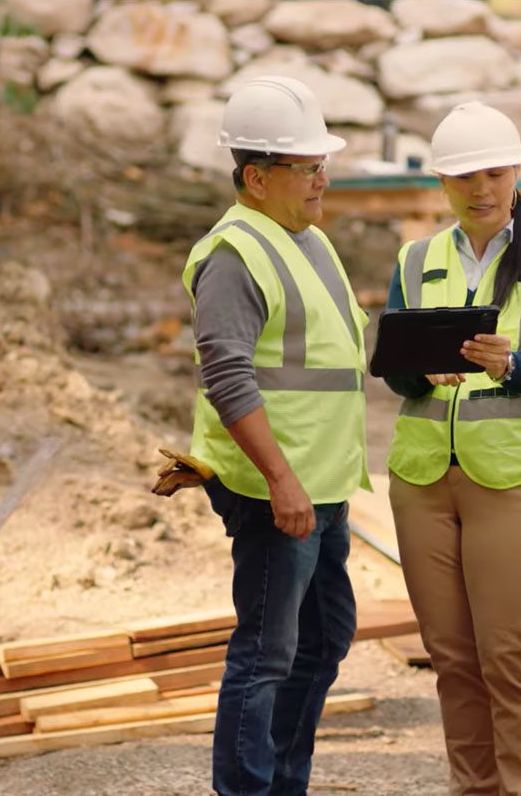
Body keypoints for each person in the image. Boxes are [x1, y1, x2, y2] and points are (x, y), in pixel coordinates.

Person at [382, 101, 521, 795]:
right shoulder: (416, 259)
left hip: (513, 480)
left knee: (510, 659)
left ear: (516, 173)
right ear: (442, 184)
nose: (480, 190)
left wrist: (513, 365)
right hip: (422, 480)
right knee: (452, 659)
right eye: (463, 178)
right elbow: (394, 367)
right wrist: (423, 368)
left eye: (494, 174)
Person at [181, 75, 370, 796]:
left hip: (321, 487)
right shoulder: (233, 254)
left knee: (322, 641)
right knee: (265, 654)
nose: (322, 177)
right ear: (256, 178)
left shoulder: (308, 241)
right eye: (306, 167)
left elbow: (329, 357)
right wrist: (281, 482)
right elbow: (227, 378)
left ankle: (282, 783)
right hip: (274, 492)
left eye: (323, 163)